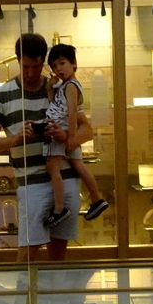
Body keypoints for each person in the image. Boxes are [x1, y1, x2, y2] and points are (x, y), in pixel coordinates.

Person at [0, 33, 93, 262]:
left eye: (36, 66)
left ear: (43, 62)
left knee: (59, 248)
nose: (31, 73)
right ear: (18, 61)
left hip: (66, 177)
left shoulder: (60, 89)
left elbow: (87, 130)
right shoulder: (1, 96)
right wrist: (14, 139)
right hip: (31, 182)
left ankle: (57, 297)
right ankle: (25, 297)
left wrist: (66, 138)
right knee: (29, 249)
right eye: (25, 67)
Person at [42, 43, 109, 227]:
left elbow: (72, 112)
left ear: (74, 63)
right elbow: (55, 106)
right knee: (79, 165)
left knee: (53, 169)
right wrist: (50, 89)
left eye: (62, 63)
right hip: (62, 131)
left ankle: (59, 209)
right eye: (54, 66)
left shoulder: (71, 86)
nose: (58, 69)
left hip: (59, 133)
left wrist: (70, 137)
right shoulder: (64, 86)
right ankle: (97, 199)